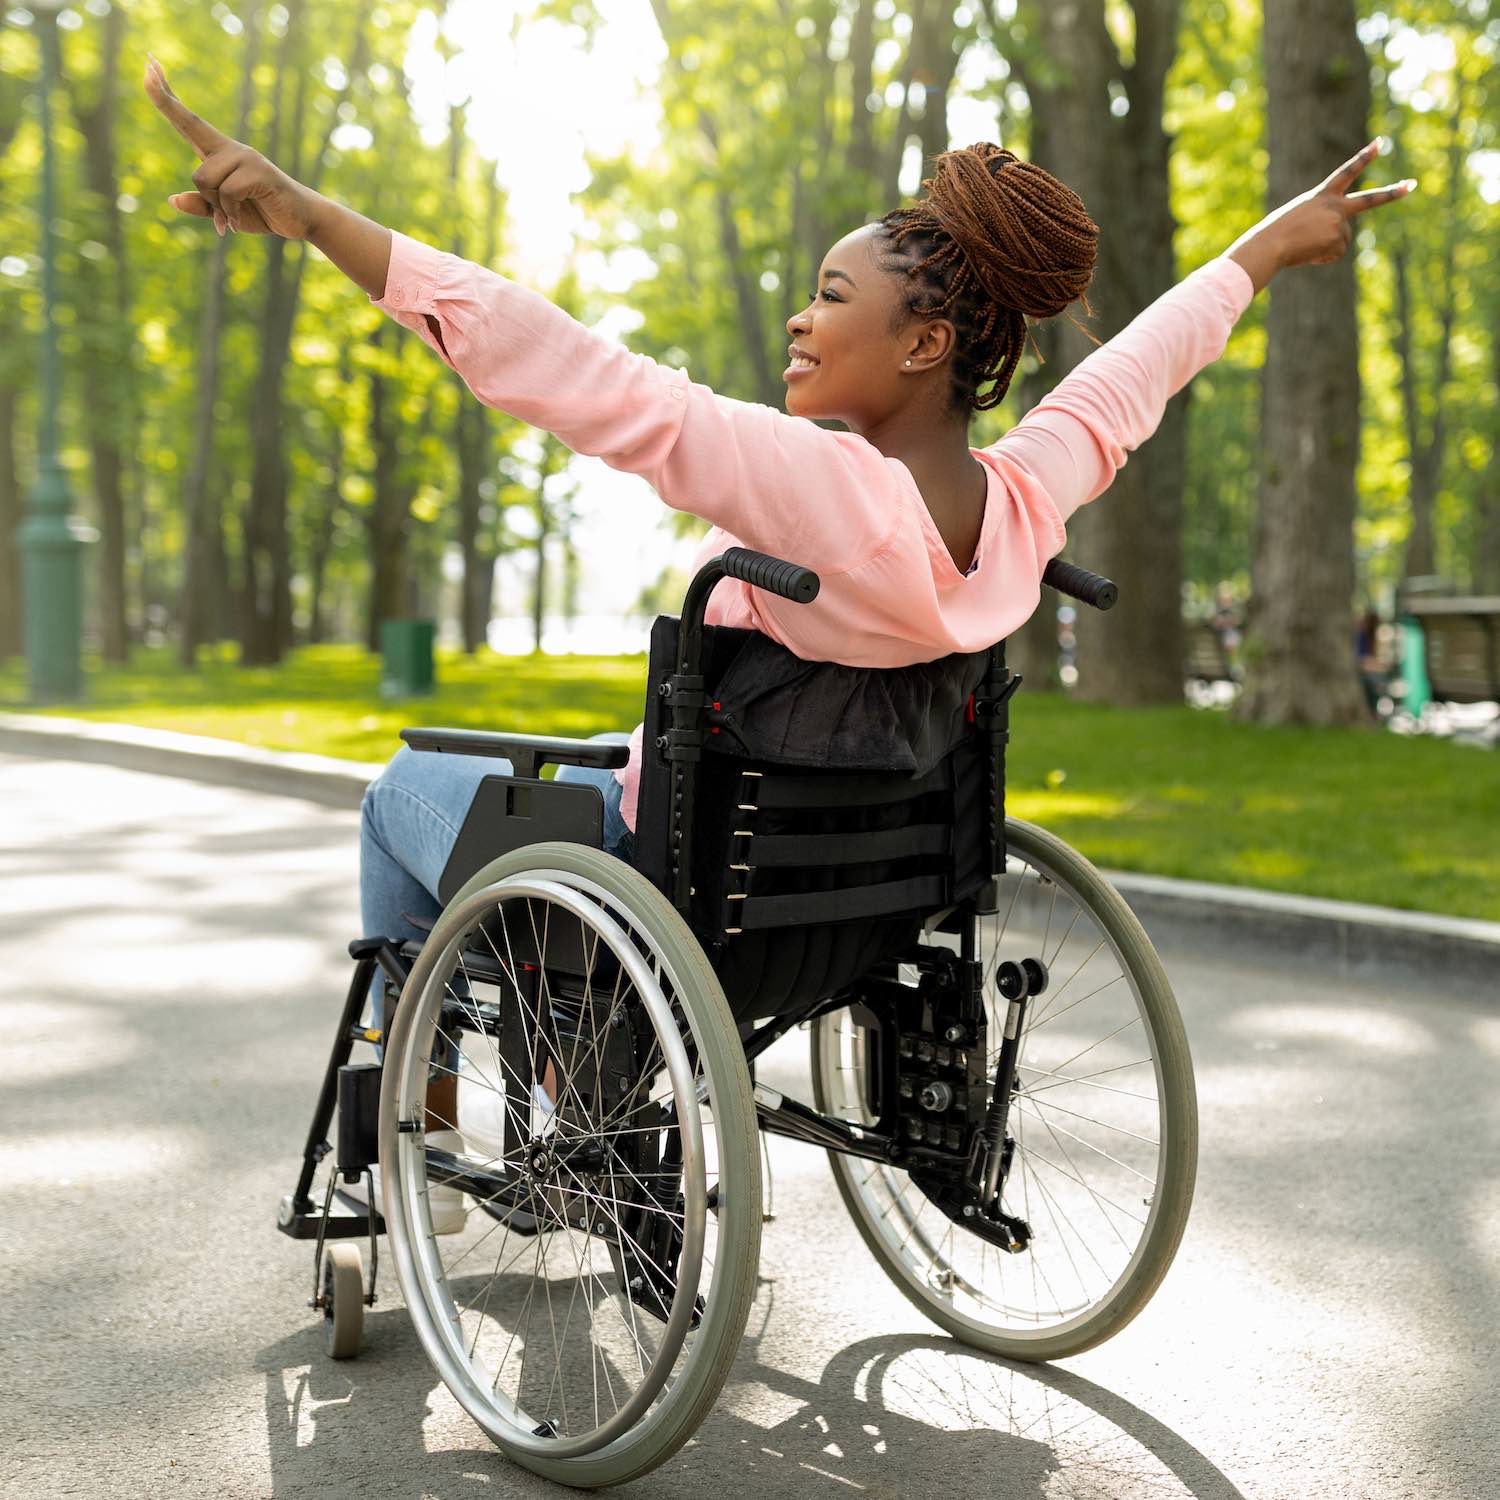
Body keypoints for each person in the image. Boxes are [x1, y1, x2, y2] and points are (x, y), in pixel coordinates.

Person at [144, 54, 1413, 1192]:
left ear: (923, 343)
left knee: (400, 793)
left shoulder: (823, 489)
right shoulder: (1026, 503)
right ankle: (514, 1085)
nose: (801, 319)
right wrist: (1260, 252)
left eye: (830, 294)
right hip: (858, 906)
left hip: (688, 888)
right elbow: (1133, 375)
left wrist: (315, 219)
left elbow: (574, 370)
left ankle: (426, 1098)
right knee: (584, 761)